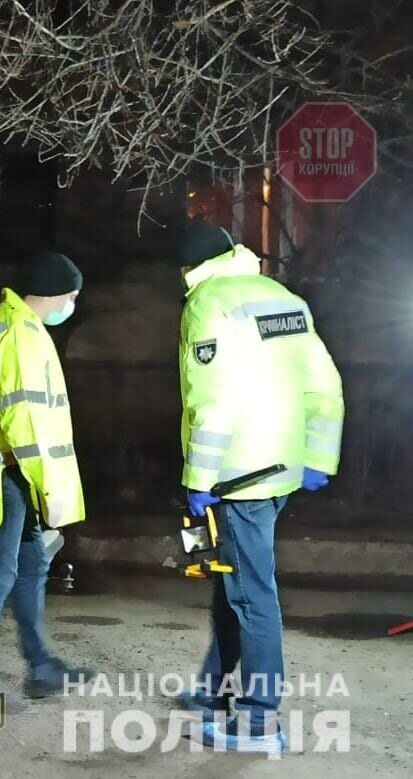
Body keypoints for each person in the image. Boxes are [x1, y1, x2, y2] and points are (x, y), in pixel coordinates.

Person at [175, 223, 344, 754]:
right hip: (281, 469)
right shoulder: (282, 297)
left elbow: (212, 401)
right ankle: (212, 694)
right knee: (237, 586)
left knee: (251, 597)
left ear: (188, 268)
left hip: (238, 475)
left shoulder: (207, 304)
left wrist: (200, 479)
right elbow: (325, 385)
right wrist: (318, 457)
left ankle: (258, 721)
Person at [0, 250, 91, 702]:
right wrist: (49, 488)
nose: (73, 304)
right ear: (58, 293)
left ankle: (41, 667)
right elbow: (24, 421)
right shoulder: (19, 335)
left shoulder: (5, 322)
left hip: (10, 473)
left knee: (31, 567)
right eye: (73, 296)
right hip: (9, 475)